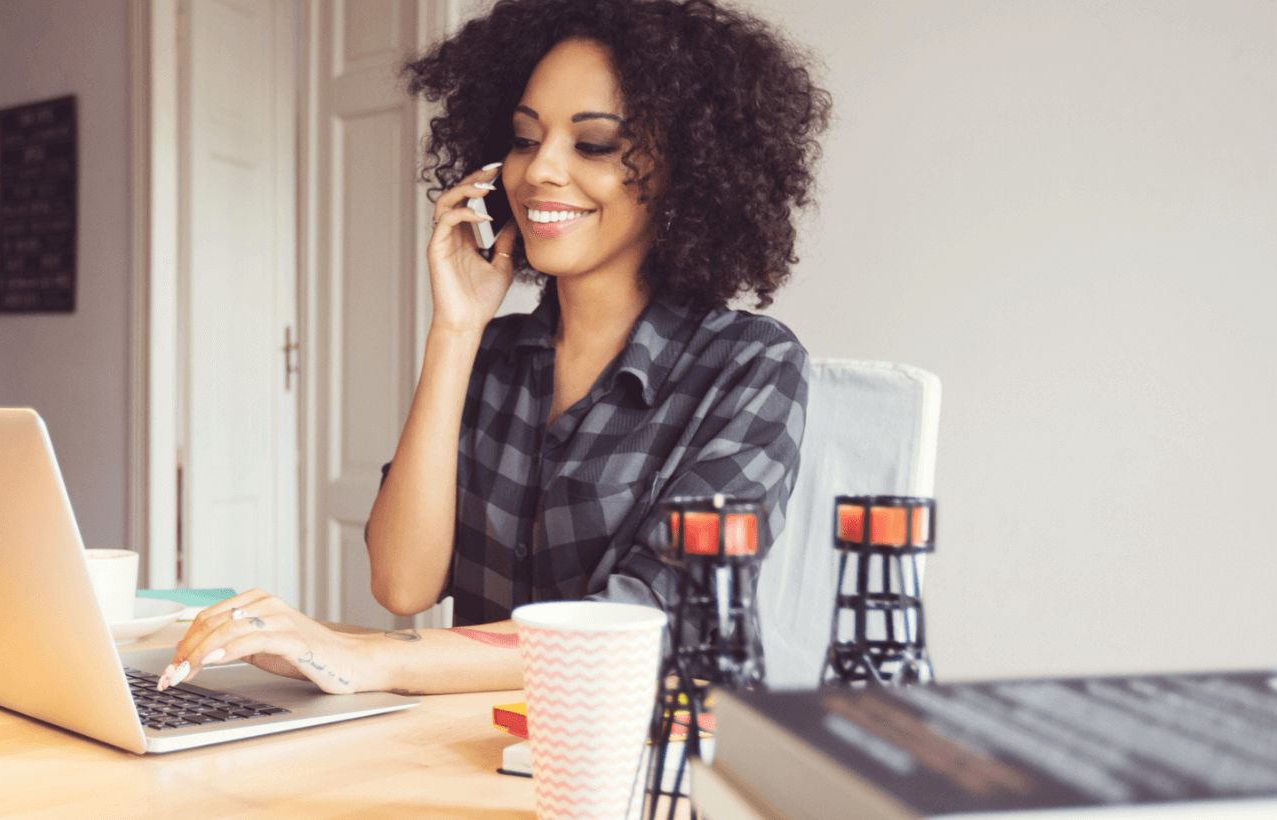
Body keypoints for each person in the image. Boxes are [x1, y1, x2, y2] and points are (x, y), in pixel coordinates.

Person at [163, 0, 829, 696]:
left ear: (685, 169)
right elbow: (401, 581)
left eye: (593, 144)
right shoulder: (497, 354)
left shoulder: (751, 365)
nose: (540, 169)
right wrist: (456, 330)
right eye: (523, 138)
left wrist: (370, 659)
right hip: (465, 745)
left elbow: (647, 624)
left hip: (629, 765)